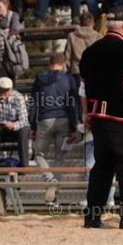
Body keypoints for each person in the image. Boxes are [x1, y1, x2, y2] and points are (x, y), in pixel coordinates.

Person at [80, 7, 123, 228]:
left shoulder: (90, 51)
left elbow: (82, 90)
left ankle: (93, 217)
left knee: (102, 167)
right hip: (121, 120)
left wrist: (87, 114)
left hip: (98, 117)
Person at [30, 53, 79, 202]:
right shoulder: (69, 79)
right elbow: (73, 105)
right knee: (60, 158)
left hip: (45, 119)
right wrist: (73, 127)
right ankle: (55, 188)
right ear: (64, 63)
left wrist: (32, 125)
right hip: (63, 119)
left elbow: (33, 104)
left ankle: (49, 179)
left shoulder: (39, 78)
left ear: (49, 63)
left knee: (39, 155)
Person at [0, 76, 30, 167]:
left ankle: (24, 165)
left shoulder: (18, 97)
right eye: (0, 91)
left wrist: (13, 125)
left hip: (16, 127)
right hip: (1, 128)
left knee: (23, 131)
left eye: (5, 91)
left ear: (11, 89)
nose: (2, 94)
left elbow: (24, 120)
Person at [64, 12, 103, 77]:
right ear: (93, 23)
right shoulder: (99, 36)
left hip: (76, 70)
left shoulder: (72, 35)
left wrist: (70, 69)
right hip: (94, 70)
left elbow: (67, 56)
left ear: (80, 23)